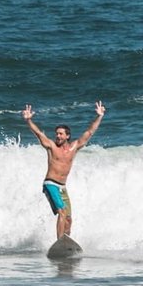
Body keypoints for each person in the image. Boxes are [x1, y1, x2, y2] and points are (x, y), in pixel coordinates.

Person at [21, 101, 105, 241]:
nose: (58, 136)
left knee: (69, 219)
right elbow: (38, 133)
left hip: (62, 187)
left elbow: (89, 132)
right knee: (61, 212)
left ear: (67, 136)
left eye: (61, 134)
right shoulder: (51, 147)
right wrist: (28, 120)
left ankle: (66, 243)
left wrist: (99, 116)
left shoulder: (74, 147)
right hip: (50, 184)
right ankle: (59, 241)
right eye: (56, 134)